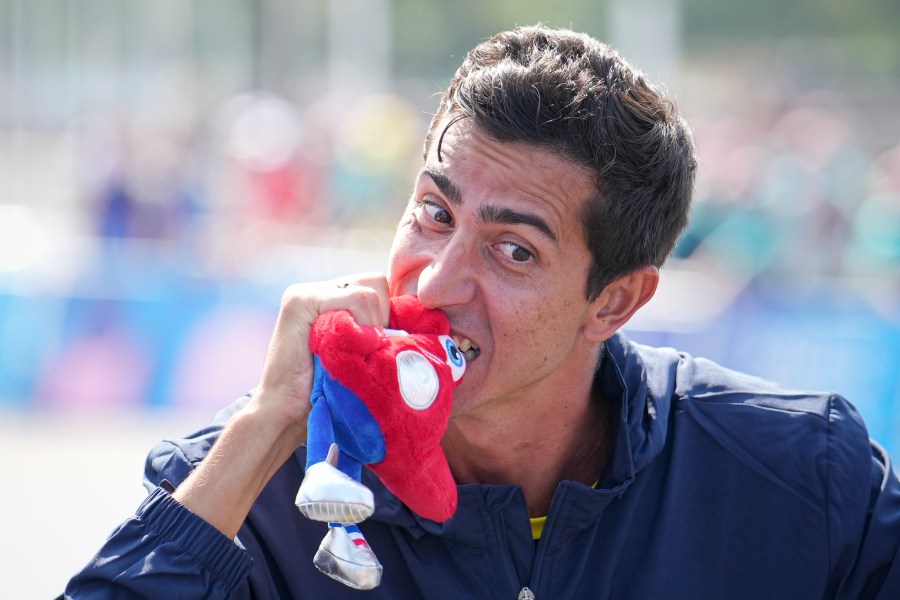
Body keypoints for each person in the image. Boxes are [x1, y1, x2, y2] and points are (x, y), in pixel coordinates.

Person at [62, 25, 900, 599]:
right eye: (434, 213)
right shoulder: (258, 485)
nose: (432, 286)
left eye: (514, 251)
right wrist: (260, 430)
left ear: (615, 299)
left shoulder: (801, 475)